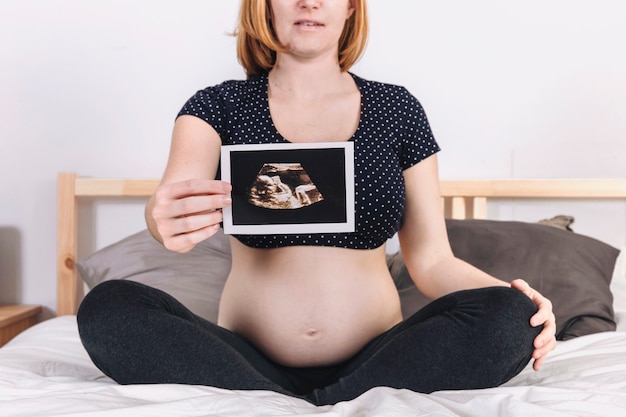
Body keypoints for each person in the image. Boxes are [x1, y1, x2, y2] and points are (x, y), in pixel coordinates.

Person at [77, 0, 557, 406]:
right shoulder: (216, 107)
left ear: (351, 6)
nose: (309, 1)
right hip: (241, 358)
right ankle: (298, 401)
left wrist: (523, 301)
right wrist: (162, 217)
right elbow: (173, 197)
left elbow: (432, 261)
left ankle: (291, 406)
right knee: (107, 307)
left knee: (510, 315)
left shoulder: (397, 109)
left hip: (381, 358)